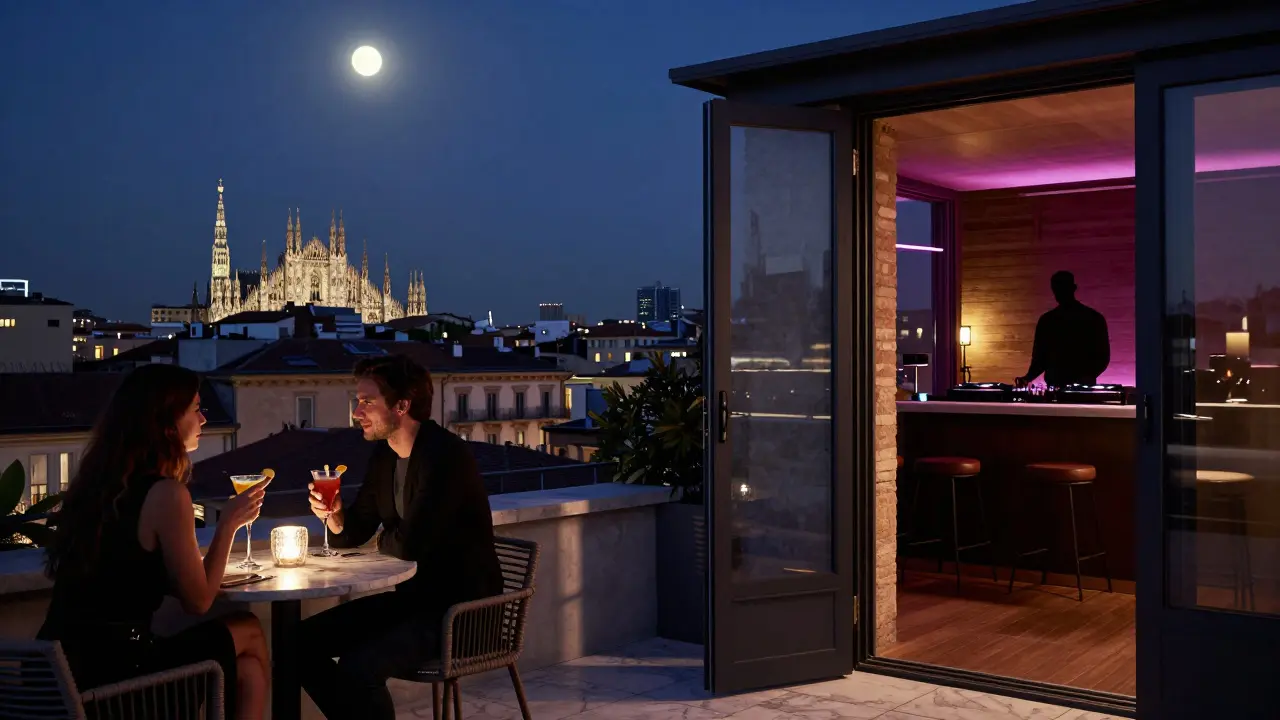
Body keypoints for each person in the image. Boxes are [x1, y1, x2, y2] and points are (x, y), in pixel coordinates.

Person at [39, 364, 271, 719]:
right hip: (116, 679)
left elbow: (130, 575)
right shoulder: (166, 494)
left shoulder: (98, 488)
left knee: (248, 669)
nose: (204, 419)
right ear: (167, 424)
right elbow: (198, 601)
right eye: (195, 408)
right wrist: (228, 524)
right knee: (250, 631)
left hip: (57, 673)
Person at [299, 354, 503, 720]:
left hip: (461, 615)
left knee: (359, 667)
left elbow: (411, 545)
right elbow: (355, 532)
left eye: (366, 402)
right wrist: (333, 516)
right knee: (297, 643)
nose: (356, 412)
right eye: (357, 401)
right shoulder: (385, 455)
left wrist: (381, 539)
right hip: (413, 603)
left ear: (402, 406)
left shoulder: (445, 456)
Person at [1016, 270, 1111, 388]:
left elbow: (1040, 359)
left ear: (1072, 288)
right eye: (1056, 290)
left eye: (1061, 289)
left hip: (1066, 386)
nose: (1058, 294)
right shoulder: (1093, 317)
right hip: (1073, 386)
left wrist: (1028, 377)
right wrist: (1027, 378)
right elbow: (1040, 358)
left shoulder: (1047, 320)